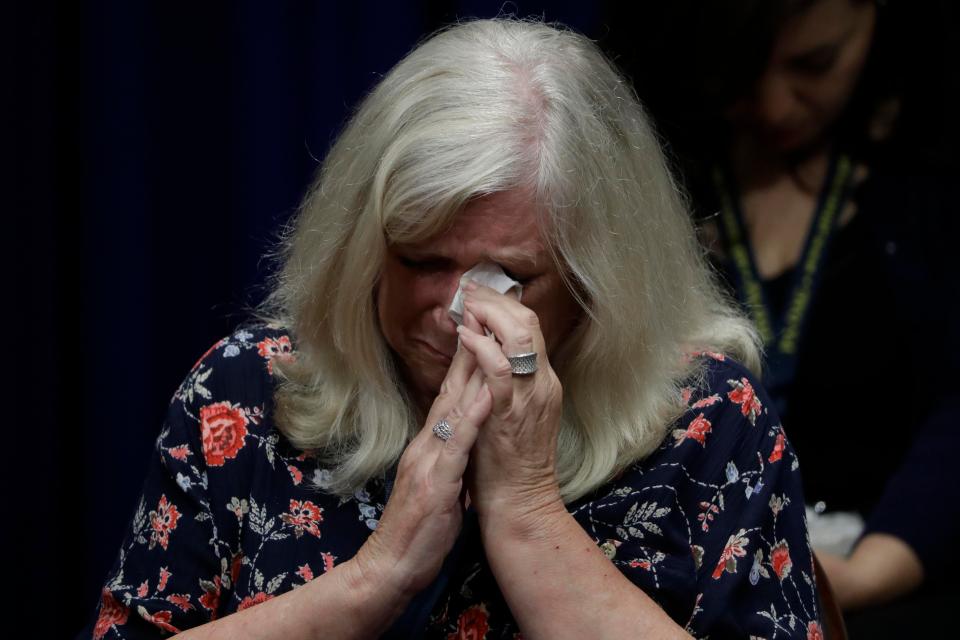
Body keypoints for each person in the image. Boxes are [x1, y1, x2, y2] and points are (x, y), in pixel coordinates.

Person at [80, 19, 822, 639]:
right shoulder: (246, 393)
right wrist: (379, 577)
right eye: (419, 261)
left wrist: (528, 516)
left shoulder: (709, 421)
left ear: (600, 284)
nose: (453, 312)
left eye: (511, 278)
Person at [602, 0, 960, 629]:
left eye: (814, 65)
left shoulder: (928, 182)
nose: (772, 105)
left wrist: (875, 566)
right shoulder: (635, 168)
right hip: (673, 571)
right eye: (737, 70)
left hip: (883, 574)